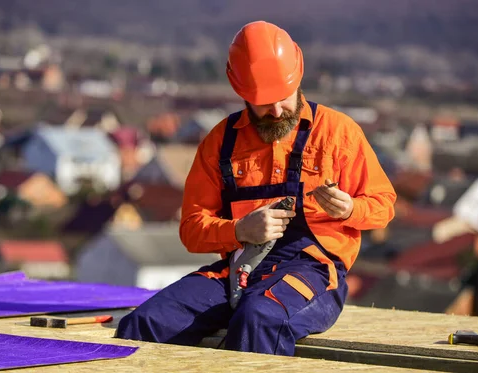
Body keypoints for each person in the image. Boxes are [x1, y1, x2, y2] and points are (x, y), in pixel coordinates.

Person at [116, 20, 397, 355]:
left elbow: (384, 207)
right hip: (237, 270)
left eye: (283, 98)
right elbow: (192, 229)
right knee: (143, 323)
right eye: (263, 102)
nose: (276, 111)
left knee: (260, 317)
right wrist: (240, 229)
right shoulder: (220, 142)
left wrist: (351, 209)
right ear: (240, 91)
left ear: (298, 76)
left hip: (312, 272)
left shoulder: (338, 134)